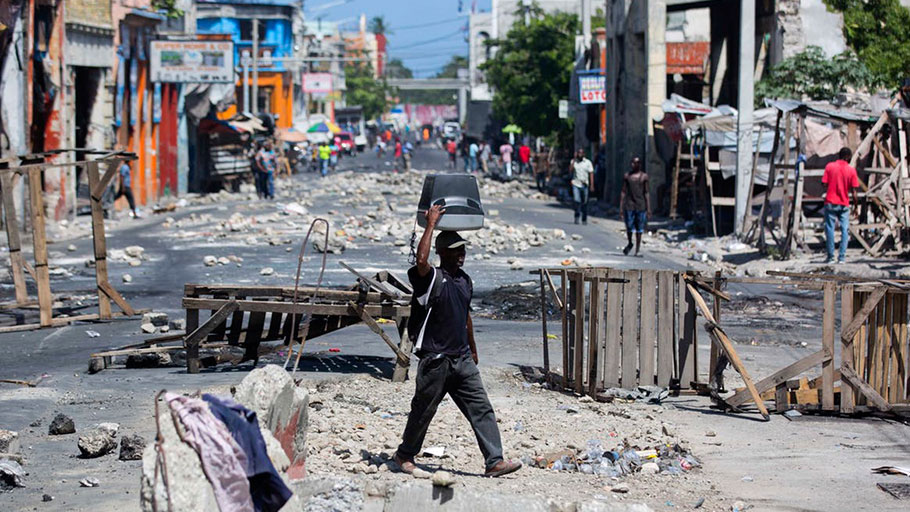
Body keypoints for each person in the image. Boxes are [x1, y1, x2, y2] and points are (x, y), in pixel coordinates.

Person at [393, 205, 522, 479]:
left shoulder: (465, 281)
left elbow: (465, 317)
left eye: (463, 249)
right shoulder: (429, 279)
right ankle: (405, 454)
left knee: (482, 408)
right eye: (455, 250)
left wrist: (473, 350)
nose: (462, 254)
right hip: (436, 360)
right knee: (423, 411)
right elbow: (420, 262)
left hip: (462, 359)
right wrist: (430, 225)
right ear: (442, 253)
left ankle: (494, 461)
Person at [822, 147, 859, 263]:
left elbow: (824, 184)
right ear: (848, 157)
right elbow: (853, 191)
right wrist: (856, 206)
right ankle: (841, 257)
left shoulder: (829, 166)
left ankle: (831, 257)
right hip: (844, 203)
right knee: (844, 230)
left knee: (830, 229)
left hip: (830, 201)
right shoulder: (851, 170)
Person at [619, 157, 649, 255]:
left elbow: (646, 193)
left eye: (635, 163)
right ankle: (630, 242)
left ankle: (637, 249)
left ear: (639, 165)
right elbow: (623, 191)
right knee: (629, 227)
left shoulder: (644, 177)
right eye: (632, 163)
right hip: (629, 205)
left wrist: (649, 208)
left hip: (641, 205)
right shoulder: (627, 176)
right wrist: (621, 207)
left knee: (639, 229)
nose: (632, 165)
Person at [569, 148, 594, 225]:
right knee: (577, 200)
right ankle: (577, 216)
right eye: (578, 153)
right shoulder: (574, 162)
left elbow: (591, 173)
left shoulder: (588, 163)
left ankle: (584, 218)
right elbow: (570, 170)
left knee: (584, 202)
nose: (579, 154)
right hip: (576, 183)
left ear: (584, 154)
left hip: (585, 184)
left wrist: (592, 185)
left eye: (581, 153)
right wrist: (573, 160)